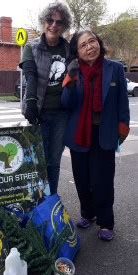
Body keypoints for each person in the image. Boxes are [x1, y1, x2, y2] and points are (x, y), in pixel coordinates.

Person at [61, 30, 130, 241]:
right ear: (77, 52)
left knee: (103, 181)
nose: (89, 47)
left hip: (105, 132)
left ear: (99, 43)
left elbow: (122, 102)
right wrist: (70, 80)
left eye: (92, 41)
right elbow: (66, 103)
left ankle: (106, 221)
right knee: (82, 179)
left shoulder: (115, 69)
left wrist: (123, 127)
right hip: (79, 134)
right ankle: (87, 214)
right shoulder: (73, 71)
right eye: (83, 45)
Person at [20, 1, 72, 195]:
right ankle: (36, 199)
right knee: (37, 159)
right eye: (50, 20)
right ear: (44, 21)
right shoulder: (31, 47)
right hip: (39, 113)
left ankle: (51, 200)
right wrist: (31, 103)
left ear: (64, 25)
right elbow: (30, 76)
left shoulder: (68, 49)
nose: (54, 25)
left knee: (54, 161)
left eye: (59, 22)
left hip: (61, 114)